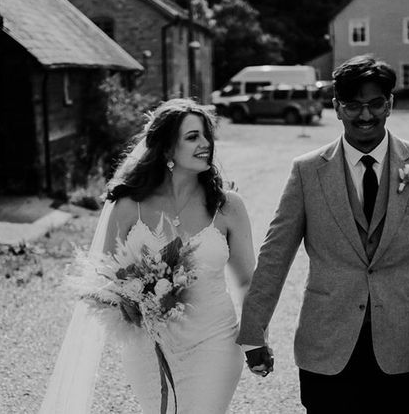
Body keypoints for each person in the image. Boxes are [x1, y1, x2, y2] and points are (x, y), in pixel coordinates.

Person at [238, 55, 409, 413]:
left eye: (375, 103)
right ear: (336, 107)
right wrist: (255, 332)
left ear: (390, 104)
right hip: (326, 346)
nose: (365, 116)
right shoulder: (307, 172)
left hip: (404, 343)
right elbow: (274, 256)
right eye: (353, 105)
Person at [40, 98, 256, 414]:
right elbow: (102, 279)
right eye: (193, 137)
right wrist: (130, 302)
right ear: (167, 149)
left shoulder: (228, 206)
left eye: (207, 136)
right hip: (149, 347)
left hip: (215, 342)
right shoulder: (128, 206)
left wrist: (255, 340)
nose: (205, 144)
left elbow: (249, 280)